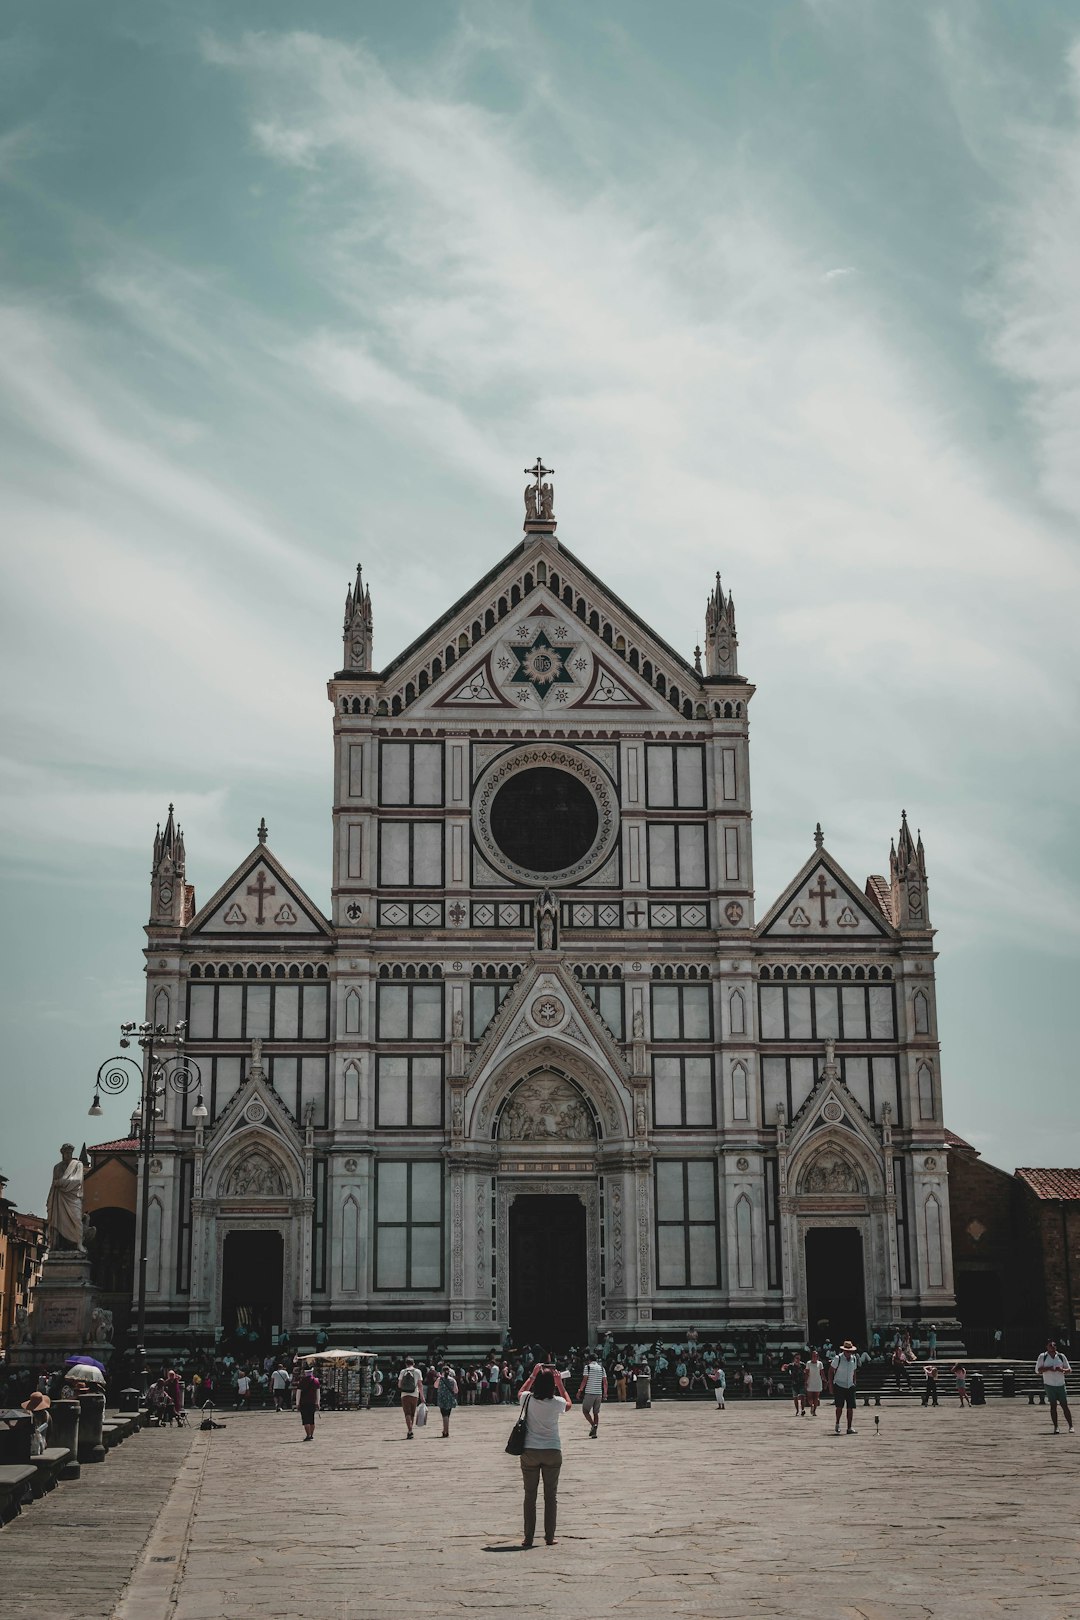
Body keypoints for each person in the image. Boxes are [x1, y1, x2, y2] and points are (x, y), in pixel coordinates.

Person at [518, 1368, 567, 1548]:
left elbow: (520, 1392)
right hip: (552, 1450)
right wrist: (560, 1384)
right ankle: (549, 1536)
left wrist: (532, 1374)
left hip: (530, 1450)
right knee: (550, 1496)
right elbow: (569, 1404)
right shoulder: (557, 1402)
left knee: (529, 1495)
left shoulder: (527, 1399)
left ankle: (528, 1537)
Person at [1035, 1340, 1073, 1435]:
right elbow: (1037, 1370)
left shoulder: (1061, 1356)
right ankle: (1056, 1427)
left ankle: (1071, 1426)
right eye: (1050, 1345)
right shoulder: (1042, 1357)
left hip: (1060, 1384)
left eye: (1054, 1345)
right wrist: (1048, 1368)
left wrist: (1062, 1370)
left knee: (1064, 1405)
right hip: (1049, 1384)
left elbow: (1069, 1370)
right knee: (1053, 1406)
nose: (1052, 1346)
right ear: (1047, 1346)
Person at [830, 1339, 858, 1434]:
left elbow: (854, 1371)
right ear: (844, 1350)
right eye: (847, 1351)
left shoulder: (854, 1359)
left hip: (850, 1385)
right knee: (839, 1407)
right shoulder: (838, 1358)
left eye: (850, 1351)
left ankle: (849, 1427)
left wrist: (854, 1382)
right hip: (839, 1384)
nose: (849, 1353)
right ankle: (837, 1423)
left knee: (850, 1407)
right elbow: (831, 1371)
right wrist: (830, 1384)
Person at [576, 1353, 607, 1438]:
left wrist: (580, 1390)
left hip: (590, 1392)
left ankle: (593, 1425)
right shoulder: (602, 1368)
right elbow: (605, 1382)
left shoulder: (588, 1367)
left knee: (585, 1411)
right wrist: (605, 1393)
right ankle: (594, 1432)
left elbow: (584, 1380)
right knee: (596, 1413)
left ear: (589, 1360)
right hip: (599, 1393)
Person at [398, 1357, 423, 1437]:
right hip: (415, 1394)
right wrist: (422, 1396)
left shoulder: (403, 1371)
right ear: (414, 1363)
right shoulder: (417, 1371)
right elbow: (420, 1385)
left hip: (404, 1394)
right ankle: (410, 1429)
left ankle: (410, 1430)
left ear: (406, 1364)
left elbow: (399, 1385)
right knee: (412, 1413)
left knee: (407, 1413)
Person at [21, 1390, 50, 1454]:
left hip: (29, 1445)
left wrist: (8, 1424)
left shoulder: (28, 1415)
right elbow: (50, 1431)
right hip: (43, 1442)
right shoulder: (47, 1415)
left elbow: (19, 1428)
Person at [433, 1364, 458, 1438]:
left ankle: (445, 1431)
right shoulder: (453, 1380)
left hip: (442, 1398)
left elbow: (435, 1386)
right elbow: (456, 1390)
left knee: (444, 1415)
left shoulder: (440, 1379)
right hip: (449, 1398)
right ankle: (446, 1430)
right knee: (447, 1415)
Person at [298, 1367, 320, 1440]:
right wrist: (318, 1402)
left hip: (303, 1403)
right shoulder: (316, 1381)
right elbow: (318, 1393)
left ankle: (308, 1435)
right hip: (312, 1402)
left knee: (305, 1420)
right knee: (311, 1419)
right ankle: (311, 1435)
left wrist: (297, 1403)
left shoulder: (302, 1381)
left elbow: (298, 1393)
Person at [804, 1350, 823, 1416]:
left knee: (816, 1397)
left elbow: (822, 1373)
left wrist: (825, 1380)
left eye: (816, 1356)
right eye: (814, 1356)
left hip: (818, 1381)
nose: (815, 1357)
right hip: (810, 1381)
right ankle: (811, 1405)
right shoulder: (808, 1363)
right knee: (810, 1398)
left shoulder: (820, 1363)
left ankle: (814, 1410)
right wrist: (806, 1381)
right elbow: (806, 1373)